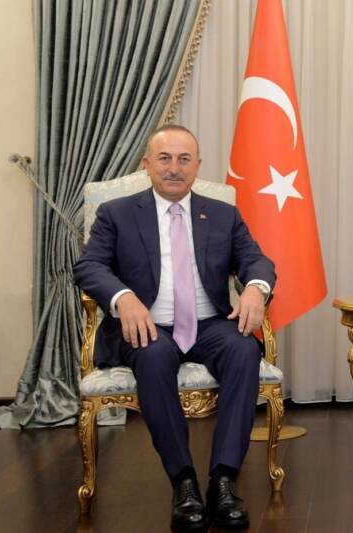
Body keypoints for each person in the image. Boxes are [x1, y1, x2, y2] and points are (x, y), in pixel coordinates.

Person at [73, 125, 276, 531]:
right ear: (147, 164)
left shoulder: (222, 214)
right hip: (147, 325)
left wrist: (256, 288)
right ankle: (183, 483)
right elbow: (89, 265)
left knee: (244, 350)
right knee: (154, 356)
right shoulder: (117, 213)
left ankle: (223, 481)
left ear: (197, 166)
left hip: (210, 323)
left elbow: (256, 260)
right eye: (164, 158)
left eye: (184, 159)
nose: (174, 168)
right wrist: (123, 297)